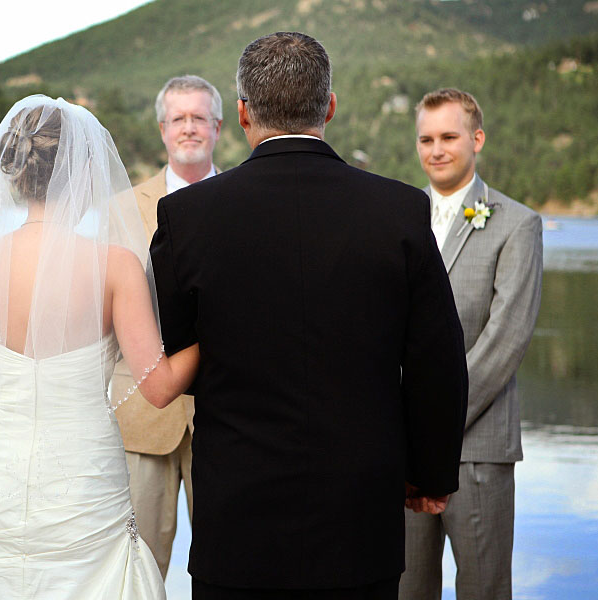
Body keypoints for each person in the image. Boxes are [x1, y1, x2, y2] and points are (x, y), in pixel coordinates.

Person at [149, 32, 468, 599]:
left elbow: (181, 349)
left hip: (237, 517)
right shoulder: (398, 210)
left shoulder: (185, 216)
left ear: (242, 112)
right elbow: (436, 360)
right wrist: (432, 474)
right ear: (330, 106)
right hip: (359, 516)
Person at [0, 95, 199, 599]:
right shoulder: (115, 265)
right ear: (81, 174)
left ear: (12, 172)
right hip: (83, 476)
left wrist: (3, 381)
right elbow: (160, 388)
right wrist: (213, 334)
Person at [400, 88, 543, 600]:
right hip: (403, 453)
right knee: (405, 589)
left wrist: (432, 422)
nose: (436, 149)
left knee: (483, 589)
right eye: (426, 139)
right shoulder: (397, 217)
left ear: (476, 139)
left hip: (477, 448)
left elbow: (506, 339)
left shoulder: (516, 223)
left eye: (449, 137)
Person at [110, 74, 223, 579]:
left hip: (225, 415)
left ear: (219, 126)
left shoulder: (244, 199)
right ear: (162, 128)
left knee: (227, 561)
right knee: (138, 565)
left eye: (199, 117)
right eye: (178, 118)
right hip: (139, 413)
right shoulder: (121, 208)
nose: (189, 128)